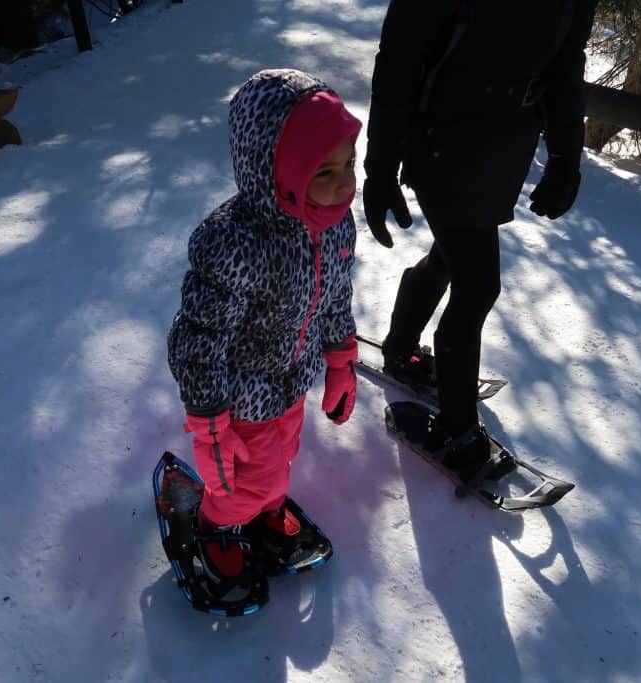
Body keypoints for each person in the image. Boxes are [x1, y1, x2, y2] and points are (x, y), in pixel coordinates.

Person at [363, 0, 597, 481]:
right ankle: (456, 428)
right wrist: (380, 166)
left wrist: (565, 157)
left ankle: (402, 347)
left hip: (504, 145)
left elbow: (565, 64)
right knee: (477, 285)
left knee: (450, 259)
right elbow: (399, 58)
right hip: (441, 138)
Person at [167, 69, 362, 596]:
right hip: (238, 396)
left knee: (287, 454)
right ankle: (217, 524)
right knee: (248, 479)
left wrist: (341, 364)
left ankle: (267, 508)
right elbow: (197, 342)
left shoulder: (336, 223)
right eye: (324, 171)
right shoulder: (234, 243)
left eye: (349, 163)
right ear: (275, 171)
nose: (344, 183)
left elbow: (336, 298)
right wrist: (209, 428)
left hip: (292, 379)